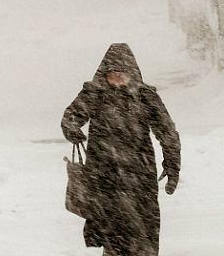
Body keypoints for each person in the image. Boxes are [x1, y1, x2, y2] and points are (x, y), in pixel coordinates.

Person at [61, 43, 181, 256]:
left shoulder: (145, 97)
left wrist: (172, 166)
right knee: (113, 237)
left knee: (143, 236)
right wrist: (73, 130)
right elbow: (70, 117)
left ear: (132, 74)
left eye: (121, 75)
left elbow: (168, 132)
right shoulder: (95, 95)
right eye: (112, 75)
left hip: (140, 178)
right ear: (104, 75)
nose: (116, 81)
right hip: (105, 178)